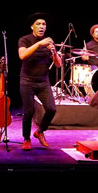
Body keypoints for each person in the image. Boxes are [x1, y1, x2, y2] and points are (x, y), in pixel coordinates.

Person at [18, 12, 62, 150]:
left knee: (51, 109)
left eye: (44, 24)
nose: (41, 26)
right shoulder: (24, 40)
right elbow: (22, 55)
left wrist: (54, 52)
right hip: (27, 81)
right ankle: (26, 139)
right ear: (32, 27)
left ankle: (40, 131)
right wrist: (38, 44)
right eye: (38, 24)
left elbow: (58, 64)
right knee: (29, 111)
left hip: (43, 81)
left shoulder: (49, 41)